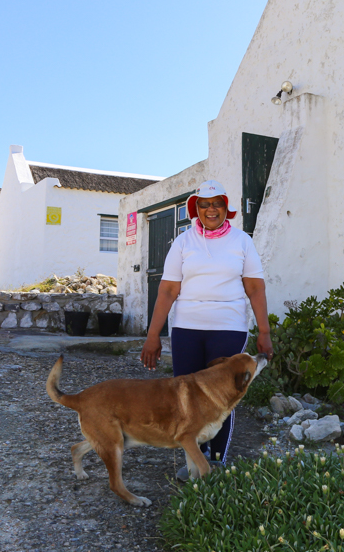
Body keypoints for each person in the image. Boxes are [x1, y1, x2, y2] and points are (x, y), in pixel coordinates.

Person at [140, 180, 274, 478]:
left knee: (224, 396)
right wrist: (153, 336)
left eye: (217, 203)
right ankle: (194, 462)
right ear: (195, 209)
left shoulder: (242, 241)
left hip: (229, 328)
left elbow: (255, 288)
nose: (210, 209)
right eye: (204, 204)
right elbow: (167, 291)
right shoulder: (183, 242)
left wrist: (264, 332)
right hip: (187, 328)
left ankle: (216, 461)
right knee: (184, 398)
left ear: (226, 208)